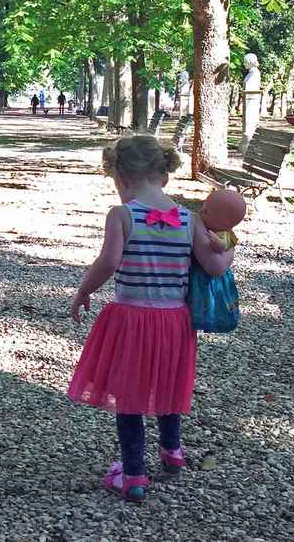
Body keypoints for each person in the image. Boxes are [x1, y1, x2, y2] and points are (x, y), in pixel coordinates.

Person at [68, 135, 233, 502]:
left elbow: (109, 262)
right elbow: (215, 266)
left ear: (121, 178)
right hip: (175, 321)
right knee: (168, 386)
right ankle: (172, 452)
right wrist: (230, 246)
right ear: (165, 178)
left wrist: (84, 291)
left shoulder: (122, 215)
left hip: (131, 318)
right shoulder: (189, 219)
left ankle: (132, 475)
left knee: (130, 395)